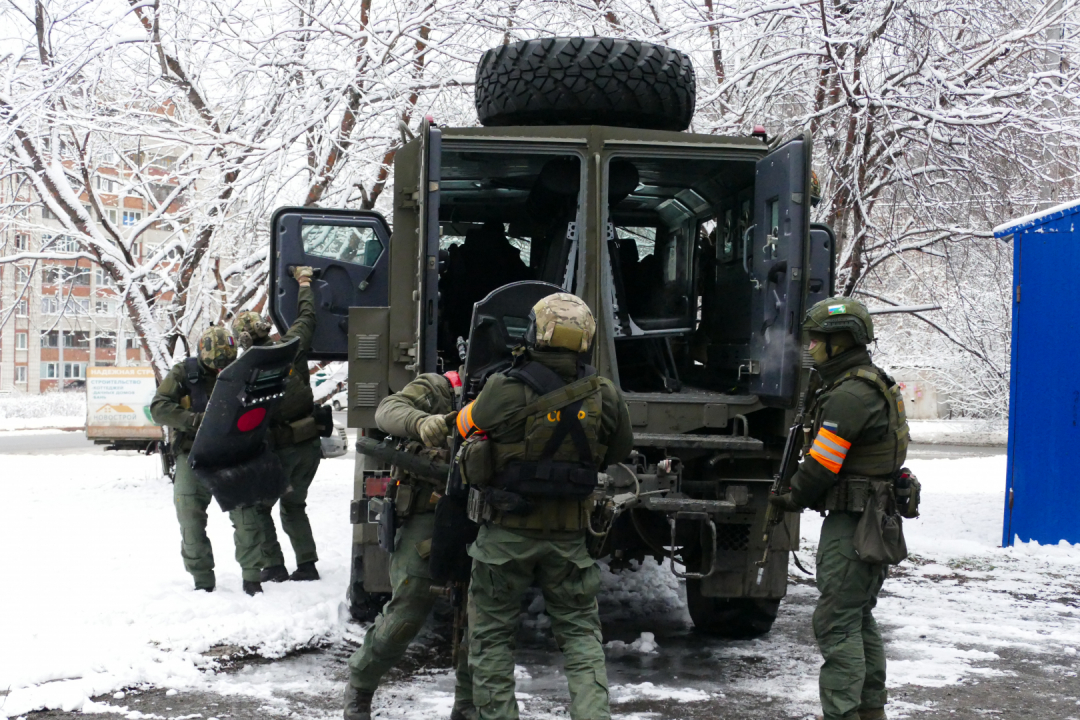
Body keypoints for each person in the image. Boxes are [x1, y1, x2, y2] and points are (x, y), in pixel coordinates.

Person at [454, 292, 633, 720]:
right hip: (570, 538)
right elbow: (619, 449)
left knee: (492, 639)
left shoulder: (505, 388)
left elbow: (464, 426)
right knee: (581, 639)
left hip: (504, 537)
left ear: (536, 333)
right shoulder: (604, 394)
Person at [768, 297, 909, 720]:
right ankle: (869, 712)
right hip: (868, 520)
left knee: (836, 622)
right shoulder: (865, 384)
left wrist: (792, 497)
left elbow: (822, 465)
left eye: (818, 340)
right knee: (856, 618)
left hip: (855, 523)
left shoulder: (851, 394)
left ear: (841, 341)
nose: (810, 348)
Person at [344, 371, 475, 720]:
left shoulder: (512, 391)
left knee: (482, 618)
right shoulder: (441, 388)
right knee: (408, 608)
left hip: (487, 514)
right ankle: (360, 685)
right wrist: (422, 422)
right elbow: (387, 411)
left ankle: (468, 705)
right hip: (430, 510)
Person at [151, 326, 266, 595]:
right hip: (193, 455)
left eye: (224, 366)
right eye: (214, 367)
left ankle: (252, 578)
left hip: (232, 454)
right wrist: (193, 420)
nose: (218, 372)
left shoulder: (242, 370)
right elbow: (159, 407)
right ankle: (202, 582)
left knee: (247, 518)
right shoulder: (184, 373)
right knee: (190, 520)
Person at [231, 265, 323, 583]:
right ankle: (307, 564)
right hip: (310, 446)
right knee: (295, 505)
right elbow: (309, 315)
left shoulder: (245, 371)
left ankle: (274, 566)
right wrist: (304, 280)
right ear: (265, 328)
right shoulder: (292, 346)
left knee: (259, 508)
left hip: (280, 453)